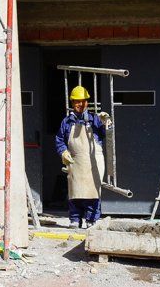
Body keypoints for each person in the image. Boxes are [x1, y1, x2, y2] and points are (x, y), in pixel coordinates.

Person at [54, 85, 107, 229]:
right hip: (75, 162)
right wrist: (63, 152)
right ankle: (75, 219)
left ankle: (91, 220)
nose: (80, 104)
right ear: (72, 103)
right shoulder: (67, 122)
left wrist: (105, 122)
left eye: (83, 101)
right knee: (75, 192)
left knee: (93, 193)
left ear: (87, 102)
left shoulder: (95, 119)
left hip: (93, 162)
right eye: (77, 101)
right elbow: (59, 140)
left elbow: (106, 133)